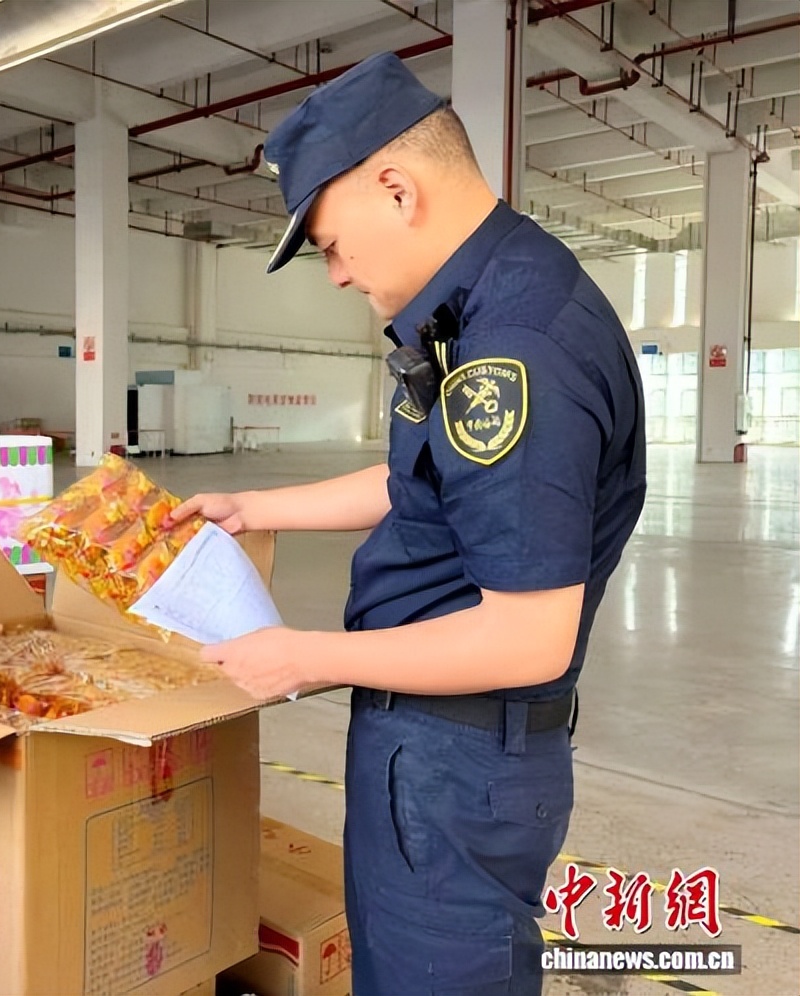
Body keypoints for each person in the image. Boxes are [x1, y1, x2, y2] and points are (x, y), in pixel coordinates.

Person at [174, 53, 646, 995]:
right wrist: (255, 507)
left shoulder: (513, 350)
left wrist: (304, 657)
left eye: (330, 244)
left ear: (397, 189)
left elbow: (528, 637)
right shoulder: (473, 311)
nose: (337, 275)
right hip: (430, 738)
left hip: (458, 755)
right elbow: (418, 483)